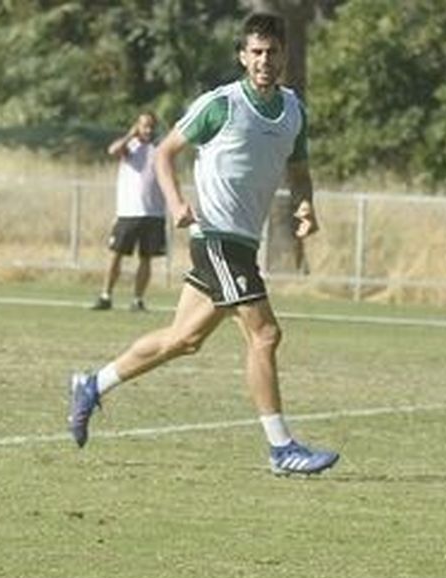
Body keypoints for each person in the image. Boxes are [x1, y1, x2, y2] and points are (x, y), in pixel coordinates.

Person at [66, 13, 338, 477]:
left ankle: (92, 384)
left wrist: (306, 204)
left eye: (272, 52)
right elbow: (164, 153)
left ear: (284, 55)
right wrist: (176, 204)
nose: (264, 60)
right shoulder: (221, 104)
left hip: (242, 244)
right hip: (215, 237)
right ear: (243, 56)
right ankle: (281, 449)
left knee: (184, 340)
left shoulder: (294, 111)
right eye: (256, 52)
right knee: (265, 335)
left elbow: (299, 172)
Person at [92, 111, 165, 312]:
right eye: (144, 126)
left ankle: (137, 299)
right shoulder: (130, 146)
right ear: (137, 126)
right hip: (128, 212)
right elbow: (113, 150)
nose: (148, 130)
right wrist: (130, 135)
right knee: (116, 255)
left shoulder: (160, 148)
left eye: (151, 126)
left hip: (153, 213)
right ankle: (106, 296)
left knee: (146, 258)